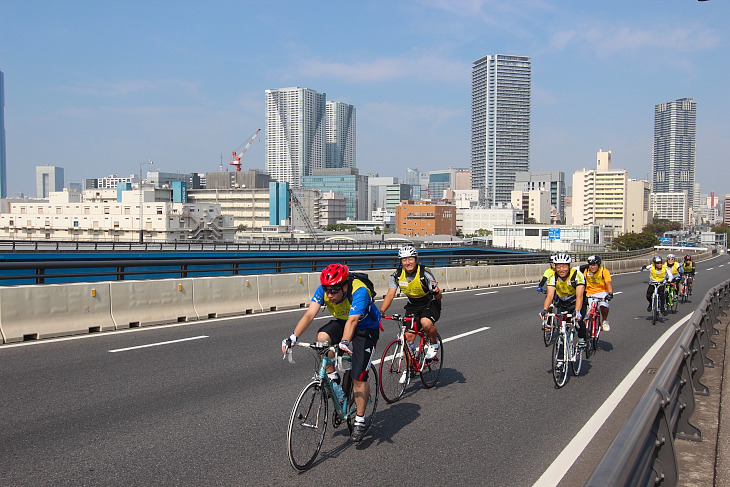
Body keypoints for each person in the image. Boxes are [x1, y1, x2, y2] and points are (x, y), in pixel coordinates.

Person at [281, 263, 381, 442]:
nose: (330, 295)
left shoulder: (359, 291)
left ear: (345, 286)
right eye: (327, 290)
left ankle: (359, 419)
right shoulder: (325, 290)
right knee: (322, 339)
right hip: (343, 321)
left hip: (365, 327)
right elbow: (309, 315)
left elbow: (353, 321)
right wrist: (293, 337)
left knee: (359, 377)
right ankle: (333, 377)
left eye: (334, 291)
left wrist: (343, 342)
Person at [380, 245, 442, 383]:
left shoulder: (424, 273)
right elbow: (390, 295)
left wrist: (437, 293)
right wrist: (381, 312)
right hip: (413, 305)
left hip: (430, 303)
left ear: (416, 259)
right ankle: (408, 370)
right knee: (408, 337)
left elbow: (438, 296)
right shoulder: (397, 275)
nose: (407, 262)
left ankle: (433, 343)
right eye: (404, 260)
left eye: (410, 259)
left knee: (425, 323)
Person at [540, 253, 587, 347]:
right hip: (563, 303)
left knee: (578, 321)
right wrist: (545, 309)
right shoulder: (553, 277)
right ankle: (561, 359)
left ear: (569, 266)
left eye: (564, 266)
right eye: (558, 267)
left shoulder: (577, 275)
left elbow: (580, 296)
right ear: (555, 267)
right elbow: (550, 295)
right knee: (561, 328)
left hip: (577, 301)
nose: (561, 269)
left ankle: (582, 339)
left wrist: (577, 311)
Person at [579, 255, 614, 332]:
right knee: (587, 314)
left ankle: (604, 321)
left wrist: (610, 293)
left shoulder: (604, 271)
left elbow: (608, 283)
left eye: (594, 265)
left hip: (602, 292)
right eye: (591, 265)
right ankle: (585, 334)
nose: (592, 267)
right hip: (589, 293)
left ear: (598, 265)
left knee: (604, 305)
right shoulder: (586, 271)